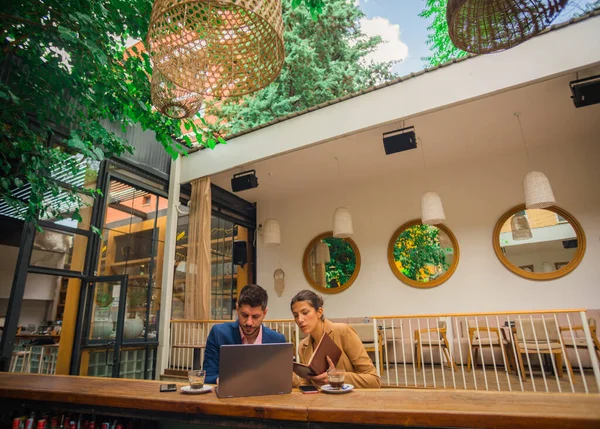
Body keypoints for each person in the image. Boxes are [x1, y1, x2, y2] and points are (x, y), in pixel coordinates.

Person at [291, 289, 381, 388]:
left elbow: (374, 381)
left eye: (305, 312)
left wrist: (337, 377)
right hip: (320, 402)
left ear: (319, 312)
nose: (300, 320)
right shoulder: (302, 346)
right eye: (296, 315)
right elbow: (306, 384)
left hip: (350, 400)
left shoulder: (343, 331)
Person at [203, 284, 286, 384]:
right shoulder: (218, 333)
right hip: (228, 396)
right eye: (244, 315)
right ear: (237, 308)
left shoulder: (277, 340)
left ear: (264, 313)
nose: (249, 323)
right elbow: (208, 376)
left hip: (265, 397)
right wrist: (227, 382)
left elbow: (281, 380)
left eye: (255, 316)